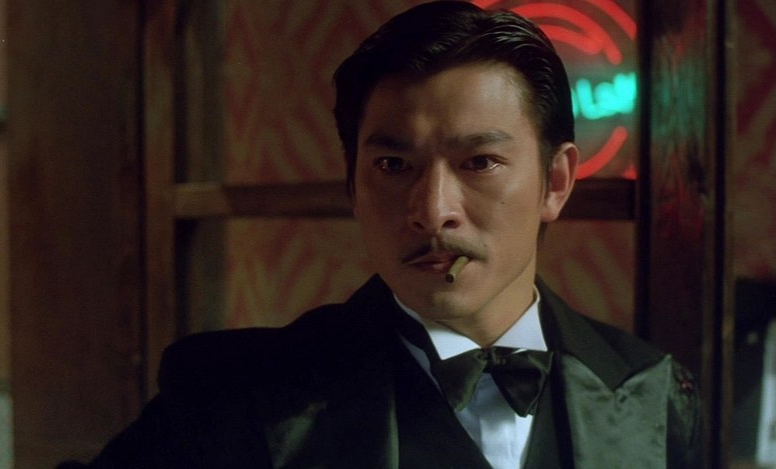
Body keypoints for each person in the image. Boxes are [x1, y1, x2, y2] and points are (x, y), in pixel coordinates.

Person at [62, 2, 701, 467]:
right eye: (394, 166)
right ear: (352, 184)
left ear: (555, 182)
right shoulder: (233, 399)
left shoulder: (652, 394)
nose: (432, 211)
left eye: (479, 162)